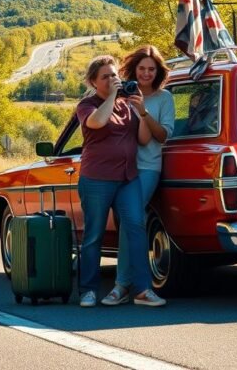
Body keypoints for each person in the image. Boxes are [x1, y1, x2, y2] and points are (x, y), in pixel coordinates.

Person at [75, 55, 166, 307]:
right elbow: (97, 122)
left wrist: (142, 111)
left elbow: (144, 140)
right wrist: (114, 97)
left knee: (136, 229)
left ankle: (142, 290)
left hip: (128, 178)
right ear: (94, 81)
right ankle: (88, 290)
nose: (113, 80)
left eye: (115, 75)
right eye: (105, 76)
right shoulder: (87, 105)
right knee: (94, 235)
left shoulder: (127, 105)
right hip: (97, 179)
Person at [101, 46, 175, 306]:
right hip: (119, 169)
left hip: (147, 168)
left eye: (151, 69)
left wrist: (143, 111)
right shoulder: (121, 96)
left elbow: (163, 136)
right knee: (129, 222)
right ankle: (134, 288)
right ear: (134, 70)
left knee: (132, 219)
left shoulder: (164, 98)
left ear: (158, 72)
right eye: (142, 68)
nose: (146, 73)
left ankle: (122, 286)